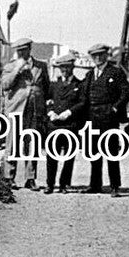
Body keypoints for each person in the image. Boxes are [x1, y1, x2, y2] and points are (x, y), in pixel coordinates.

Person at [83, 43, 129, 196]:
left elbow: (127, 93)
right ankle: (95, 185)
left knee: (111, 151)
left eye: (100, 55)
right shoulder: (90, 75)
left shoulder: (115, 72)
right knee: (94, 152)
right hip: (93, 117)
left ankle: (114, 186)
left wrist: (115, 108)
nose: (97, 58)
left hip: (109, 118)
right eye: (94, 56)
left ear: (106, 55)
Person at [1, 37, 50, 189]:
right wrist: (17, 70)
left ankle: (30, 178)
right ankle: (9, 177)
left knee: (32, 144)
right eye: (19, 50)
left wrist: (44, 104)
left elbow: (46, 87)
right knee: (13, 143)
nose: (21, 53)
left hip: (34, 109)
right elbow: (5, 85)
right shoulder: (10, 66)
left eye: (24, 50)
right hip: (16, 109)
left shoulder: (41, 66)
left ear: (30, 49)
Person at [44, 52, 85, 194]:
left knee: (69, 156)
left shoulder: (79, 85)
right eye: (62, 68)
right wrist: (51, 113)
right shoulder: (54, 85)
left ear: (72, 67)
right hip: (54, 126)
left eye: (67, 68)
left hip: (70, 126)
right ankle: (50, 184)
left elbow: (82, 103)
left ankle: (64, 184)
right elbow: (48, 101)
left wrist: (68, 113)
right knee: (51, 156)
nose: (64, 71)